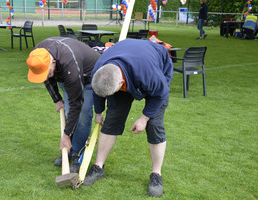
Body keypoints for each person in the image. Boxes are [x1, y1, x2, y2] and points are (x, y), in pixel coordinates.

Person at [83, 39, 173, 198]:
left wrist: (144, 118)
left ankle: (156, 175)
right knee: (112, 120)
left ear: (121, 83)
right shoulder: (100, 70)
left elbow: (161, 93)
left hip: (156, 69)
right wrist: (98, 113)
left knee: (154, 125)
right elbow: (99, 92)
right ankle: (98, 167)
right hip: (126, 68)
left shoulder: (148, 73)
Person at [26, 37, 100, 173]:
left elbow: (76, 103)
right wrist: (57, 99)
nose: (46, 76)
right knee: (67, 113)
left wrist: (65, 135)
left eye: (47, 72)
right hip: (65, 76)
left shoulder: (68, 61)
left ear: (53, 62)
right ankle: (68, 151)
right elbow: (45, 77)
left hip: (88, 77)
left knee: (83, 114)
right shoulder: (37, 55)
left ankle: (78, 154)